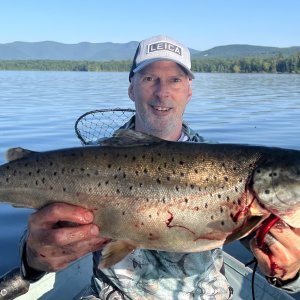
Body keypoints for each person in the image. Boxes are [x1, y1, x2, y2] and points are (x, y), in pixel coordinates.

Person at [20, 35, 300, 299]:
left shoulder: (226, 164)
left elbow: (290, 277)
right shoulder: (87, 162)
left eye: (175, 80)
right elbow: (36, 245)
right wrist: (33, 256)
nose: (162, 92)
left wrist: (289, 274)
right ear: (132, 89)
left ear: (188, 91)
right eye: (150, 78)